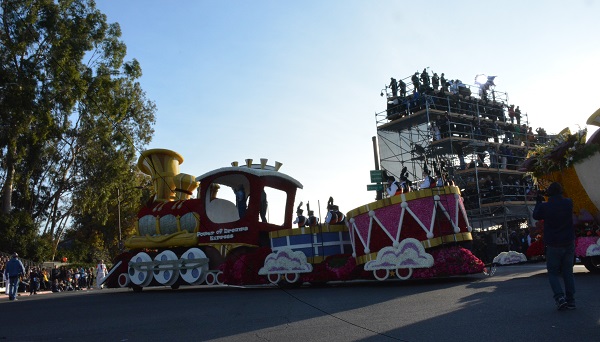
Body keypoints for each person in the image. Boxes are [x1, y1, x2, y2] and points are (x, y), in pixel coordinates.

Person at [532, 182, 576, 310]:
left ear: (549, 193)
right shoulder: (568, 202)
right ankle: (571, 300)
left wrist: (539, 202)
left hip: (553, 243)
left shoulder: (546, 206)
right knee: (568, 272)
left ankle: (559, 297)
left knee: (553, 272)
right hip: (568, 241)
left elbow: (536, 215)